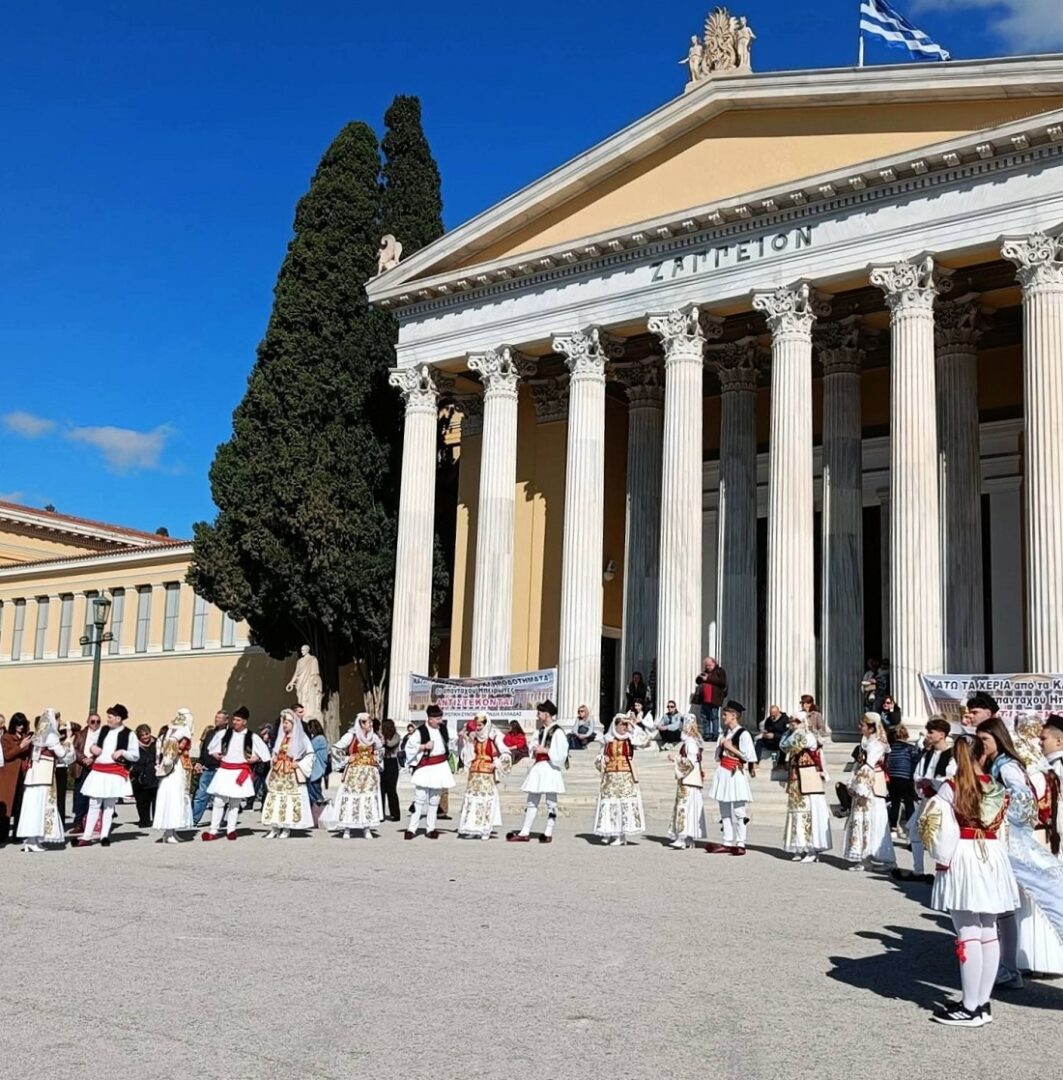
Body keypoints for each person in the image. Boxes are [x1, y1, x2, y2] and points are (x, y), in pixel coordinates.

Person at [922, 738, 1019, 1026]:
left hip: (964, 852)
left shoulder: (951, 787)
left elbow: (937, 828)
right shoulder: (998, 787)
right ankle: (981, 1002)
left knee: (967, 929)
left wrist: (941, 857)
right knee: (989, 929)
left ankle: (970, 1005)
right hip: (992, 853)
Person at [976, 716, 1063, 989]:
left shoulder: (1011, 766)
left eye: (985, 740)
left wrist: (995, 815)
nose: (1039, 741)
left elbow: (1024, 800)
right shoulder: (1014, 765)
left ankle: (1012, 965)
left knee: (1021, 901)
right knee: (1011, 905)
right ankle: (1012, 963)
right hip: (1025, 835)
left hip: (1020, 838)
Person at [893, 716, 952, 884]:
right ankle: (918, 871)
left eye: (931, 732)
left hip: (943, 802)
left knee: (943, 836)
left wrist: (933, 783)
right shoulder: (927, 755)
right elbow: (917, 773)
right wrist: (920, 782)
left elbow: (952, 777)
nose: (928, 735)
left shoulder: (952, 754)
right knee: (915, 833)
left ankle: (945, 872)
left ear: (941, 734)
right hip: (927, 800)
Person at [77, 704, 140, 848]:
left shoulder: (129, 734)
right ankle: (87, 835)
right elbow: (93, 744)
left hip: (114, 772)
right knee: (94, 803)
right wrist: (93, 748)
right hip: (99, 770)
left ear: (118, 718)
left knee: (109, 805)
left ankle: (104, 835)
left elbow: (135, 756)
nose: (107, 720)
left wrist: (123, 752)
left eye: (110, 717)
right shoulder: (103, 730)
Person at [201, 712, 270, 841]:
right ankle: (213, 830)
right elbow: (211, 749)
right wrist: (216, 755)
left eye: (238, 720)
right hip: (225, 770)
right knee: (219, 801)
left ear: (244, 721)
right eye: (234, 720)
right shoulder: (224, 734)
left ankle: (231, 829)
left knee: (235, 802)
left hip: (240, 771)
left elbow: (265, 754)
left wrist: (255, 758)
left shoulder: (252, 737)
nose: (235, 722)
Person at [508, 700, 568, 844]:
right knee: (532, 800)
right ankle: (525, 830)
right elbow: (534, 746)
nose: (537, 715)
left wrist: (546, 750)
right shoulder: (540, 730)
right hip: (539, 767)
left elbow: (562, 752)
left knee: (551, 801)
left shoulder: (558, 731)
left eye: (539, 713)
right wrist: (534, 749)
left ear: (546, 714)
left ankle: (548, 830)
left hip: (550, 767)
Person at [16, 708, 74, 852]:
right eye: (58, 719)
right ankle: (32, 840)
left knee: (32, 807)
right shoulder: (51, 736)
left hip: (34, 776)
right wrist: (68, 740)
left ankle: (31, 840)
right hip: (43, 776)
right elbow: (63, 755)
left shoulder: (38, 735)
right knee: (40, 806)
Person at [841, 713, 895, 869]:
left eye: (862, 725)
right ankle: (864, 857)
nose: (860, 727)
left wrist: (860, 785)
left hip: (870, 785)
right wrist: (852, 781)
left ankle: (884, 858)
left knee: (873, 818)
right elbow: (859, 764)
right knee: (861, 818)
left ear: (871, 728)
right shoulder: (866, 742)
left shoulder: (877, 744)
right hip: (863, 781)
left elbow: (869, 766)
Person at [780, 713, 832, 862]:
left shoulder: (807, 736)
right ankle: (799, 846)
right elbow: (783, 745)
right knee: (796, 812)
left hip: (809, 778)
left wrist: (792, 732)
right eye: (791, 721)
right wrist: (789, 731)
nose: (793, 724)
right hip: (797, 778)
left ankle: (811, 848)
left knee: (809, 812)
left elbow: (789, 746)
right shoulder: (795, 734)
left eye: (796, 721)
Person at [707, 702, 756, 856]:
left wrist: (731, 747)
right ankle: (727, 840)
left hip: (735, 772)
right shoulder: (723, 734)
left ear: (734, 716)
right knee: (724, 809)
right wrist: (720, 747)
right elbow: (717, 757)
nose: (723, 717)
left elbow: (749, 756)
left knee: (739, 810)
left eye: (725, 715)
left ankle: (741, 842)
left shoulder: (743, 734)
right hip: (723, 772)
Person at [326, 712, 383, 839]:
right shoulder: (351, 736)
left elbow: (380, 750)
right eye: (368, 722)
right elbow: (336, 748)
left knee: (367, 799)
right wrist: (347, 759)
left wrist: (376, 758)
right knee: (351, 798)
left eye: (370, 722)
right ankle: (347, 827)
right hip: (354, 773)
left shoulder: (373, 737)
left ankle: (367, 827)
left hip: (368, 773)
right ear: (362, 724)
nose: (370, 724)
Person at [591, 714, 645, 846]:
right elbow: (598, 758)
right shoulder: (607, 740)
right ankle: (609, 832)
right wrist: (604, 760)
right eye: (622, 724)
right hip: (610, 776)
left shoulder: (630, 738)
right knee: (610, 803)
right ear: (615, 725)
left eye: (625, 725)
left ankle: (621, 835)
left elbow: (644, 741)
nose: (624, 727)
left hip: (625, 776)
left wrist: (633, 726)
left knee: (623, 804)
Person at [261, 709, 315, 838]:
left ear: (293, 723)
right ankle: (275, 827)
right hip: (279, 773)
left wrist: (300, 764)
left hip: (291, 774)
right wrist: (274, 758)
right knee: (276, 798)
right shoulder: (281, 738)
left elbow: (311, 754)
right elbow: (276, 752)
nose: (284, 725)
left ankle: (286, 827)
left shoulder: (302, 738)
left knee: (289, 799)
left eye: (287, 722)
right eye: (283, 722)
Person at [404, 704, 455, 840]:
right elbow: (408, 746)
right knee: (419, 798)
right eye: (437, 718)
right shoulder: (420, 731)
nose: (440, 721)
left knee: (434, 799)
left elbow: (456, 737)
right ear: (430, 718)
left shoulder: (444, 729)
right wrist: (423, 746)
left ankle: (430, 828)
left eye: (440, 718)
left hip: (440, 766)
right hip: (426, 766)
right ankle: (411, 828)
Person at [457, 713, 511, 840]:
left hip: (486, 773)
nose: (478, 728)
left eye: (480, 725)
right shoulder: (475, 737)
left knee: (485, 801)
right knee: (473, 800)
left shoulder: (494, 736)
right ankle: (471, 827)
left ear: (486, 724)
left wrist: (496, 763)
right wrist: (469, 741)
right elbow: (467, 755)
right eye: (477, 725)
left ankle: (485, 828)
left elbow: (506, 752)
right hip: (475, 773)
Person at [152, 708, 195, 844]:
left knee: (177, 797)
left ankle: (172, 831)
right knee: (173, 798)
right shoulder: (179, 731)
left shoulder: (172, 729)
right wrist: (169, 757)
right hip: (175, 768)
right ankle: (169, 832)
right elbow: (170, 745)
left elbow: (160, 745)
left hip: (180, 767)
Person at [668, 714, 706, 849]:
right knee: (691, 806)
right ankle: (689, 837)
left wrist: (675, 759)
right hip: (692, 778)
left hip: (688, 778)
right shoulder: (693, 741)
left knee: (683, 807)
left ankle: (682, 837)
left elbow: (689, 762)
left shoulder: (690, 742)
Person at [191, 710, 228, 825]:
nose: (216, 720)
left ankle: (219, 820)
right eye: (216, 717)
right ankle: (193, 819)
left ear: (226, 721)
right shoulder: (210, 733)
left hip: (220, 769)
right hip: (208, 769)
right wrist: (199, 762)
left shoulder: (229, 735)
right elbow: (204, 750)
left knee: (221, 797)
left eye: (220, 718)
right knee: (201, 794)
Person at [0, 714, 33, 844]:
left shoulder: (25, 737)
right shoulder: (6, 737)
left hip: (23, 774)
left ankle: (17, 834)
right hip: (10, 775)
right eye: (18, 724)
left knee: (20, 806)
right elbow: (7, 755)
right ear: (13, 724)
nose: (21, 727)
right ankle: (2, 834)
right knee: (7, 806)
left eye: (23, 724)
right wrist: (20, 746)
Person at [69, 711, 103, 833]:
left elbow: (105, 750)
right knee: (80, 796)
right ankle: (78, 823)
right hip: (82, 767)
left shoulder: (103, 735)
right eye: (92, 721)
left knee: (95, 796)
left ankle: (94, 822)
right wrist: (84, 759)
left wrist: (92, 759)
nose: (95, 724)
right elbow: (74, 749)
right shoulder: (80, 734)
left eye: (98, 721)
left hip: (97, 768)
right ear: (87, 722)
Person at [885, 725, 919, 840]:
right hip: (906, 777)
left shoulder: (890, 748)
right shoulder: (910, 748)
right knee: (909, 803)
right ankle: (909, 829)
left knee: (895, 802)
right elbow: (915, 762)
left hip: (892, 777)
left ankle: (893, 827)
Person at [129, 724, 159, 828]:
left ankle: (157, 820)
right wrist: (134, 770)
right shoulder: (133, 746)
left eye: (147, 734)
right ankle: (144, 820)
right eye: (143, 735)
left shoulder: (157, 743)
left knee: (156, 800)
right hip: (140, 778)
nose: (146, 737)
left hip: (155, 776)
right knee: (142, 801)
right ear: (138, 736)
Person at [694, 656, 727, 742]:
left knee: (714, 717)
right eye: (706, 666)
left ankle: (715, 735)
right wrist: (700, 677)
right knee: (704, 718)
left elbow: (722, 682)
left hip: (714, 699)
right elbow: (698, 681)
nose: (707, 667)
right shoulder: (705, 672)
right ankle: (707, 734)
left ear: (714, 663)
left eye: (709, 665)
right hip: (704, 699)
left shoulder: (720, 671)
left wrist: (708, 679)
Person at [305, 718, 330, 826]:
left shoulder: (319, 739)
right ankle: (314, 817)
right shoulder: (320, 738)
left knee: (315, 795)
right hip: (315, 771)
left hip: (316, 771)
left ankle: (321, 816)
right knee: (313, 793)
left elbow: (307, 748)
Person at [380, 718, 402, 821]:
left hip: (392, 762)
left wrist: (383, 741)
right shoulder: (380, 736)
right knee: (381, 789)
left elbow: (391, 744)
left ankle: (395, 813)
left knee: (391, 790)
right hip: (382, 762)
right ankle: (381, 813)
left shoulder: (396, 736)